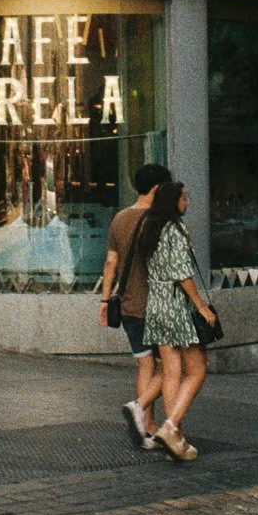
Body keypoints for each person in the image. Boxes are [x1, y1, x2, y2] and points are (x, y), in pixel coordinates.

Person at [129, 182, 218, 462]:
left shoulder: (149, 228)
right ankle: (170, 427)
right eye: (184, 197)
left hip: (156, 305)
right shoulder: (177, 231)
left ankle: (166, 429)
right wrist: (201, 306)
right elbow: (183, 274)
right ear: (173, 201)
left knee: (171, 371)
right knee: (198, 368)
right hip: (177, 306)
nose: (187, 202)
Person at [95, 162, 172, 452]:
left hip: (129, 305)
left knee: (144, 364)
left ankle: (146, 426)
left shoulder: (119, 219)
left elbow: (111, 262)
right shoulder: (160, 221)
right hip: (158, 305)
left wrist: (105, 300)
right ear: (156, 189)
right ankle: (150, 418)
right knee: (168, 364)